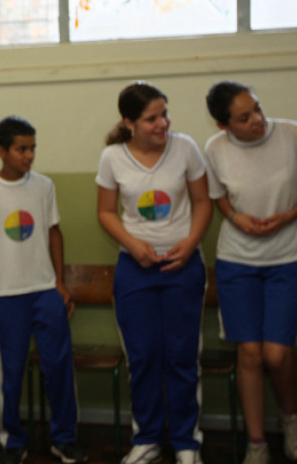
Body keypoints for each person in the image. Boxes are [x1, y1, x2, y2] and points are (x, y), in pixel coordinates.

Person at [96, 82, 212, 464]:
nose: (163, 123)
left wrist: (191, 243)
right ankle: (146, 439)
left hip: (182, 267)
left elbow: (201, 203)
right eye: (152, 118)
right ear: (129, 123)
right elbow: (107, 212)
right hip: (136, 270)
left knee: (181, 356)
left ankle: (185, 443)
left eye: (165, 114)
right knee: (143, 356)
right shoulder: (112, 157)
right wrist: (134, 245)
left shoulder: (186, 148)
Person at [203, 81, 297, 464]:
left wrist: (290, 215)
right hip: (237, 261)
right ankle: (256, 443)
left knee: (276, 352)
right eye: (244, 117)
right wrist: (235, 217)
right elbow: (217, 195)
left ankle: (291, 420)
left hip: (288, 258)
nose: (258, 120)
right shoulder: (214, 149)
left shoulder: (293, 134)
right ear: (223, 125)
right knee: (249, 353)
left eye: (258, 108)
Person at [0, 116, 86, 464]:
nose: (29, 155)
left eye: (33, 148)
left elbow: (54, 233)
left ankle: (64, 438)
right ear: (1, 151)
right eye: (22, 149)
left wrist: (60, 283)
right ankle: (13, 441)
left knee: (59, 367)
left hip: (45, 290)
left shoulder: (44, 186)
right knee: (11, 372)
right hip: (7, 295)